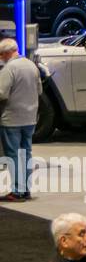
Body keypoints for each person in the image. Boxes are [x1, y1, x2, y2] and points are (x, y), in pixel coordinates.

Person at [0, 36, 41, 202]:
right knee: (26, 153)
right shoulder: (31, 65)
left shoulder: (9, 68)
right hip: (30, 118)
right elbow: (39, 90)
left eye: (1, 54)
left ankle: (17, 191)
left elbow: (1, 93)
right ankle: (26, 189)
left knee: (13, 155)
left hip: (12, 118)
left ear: (6, 53)